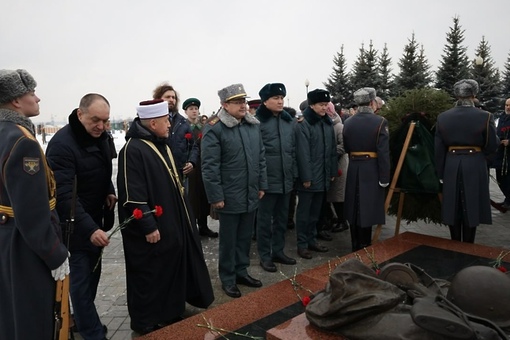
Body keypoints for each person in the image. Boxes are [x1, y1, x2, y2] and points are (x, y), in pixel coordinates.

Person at [117, 99, 214, 335]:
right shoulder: (133, 149)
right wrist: (149, 226)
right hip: (151, 228)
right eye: (165, 121)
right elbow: (133, 195)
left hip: (171, 223)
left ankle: (169, 311)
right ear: (152, 123)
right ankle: (146, 321)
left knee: (170, 268)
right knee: (150, 274)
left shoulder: (162, 144)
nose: (170, 125)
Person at [0, 69, 69, 339]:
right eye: (31, 93)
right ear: (16, 101)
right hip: (25, 247)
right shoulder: (22, 142)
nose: (37, 98)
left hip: (8, 239)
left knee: (12, 318)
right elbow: (31, 211)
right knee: (34, 319)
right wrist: (54, 253)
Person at [46, 93, 116, 340]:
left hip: (94, 220)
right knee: (80, 286)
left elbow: (104, 169)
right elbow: (64, 196)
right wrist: (89, 229)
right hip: (74, 229)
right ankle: (92, 333)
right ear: (80, 114)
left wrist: (109, 189)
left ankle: (83, 321)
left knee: (92, 279)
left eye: (105, 121)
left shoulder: (101, 136)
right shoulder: (62, 145)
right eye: (95, 120)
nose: (101, 126)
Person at [201, 83, 267, 298]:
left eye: (244, 101)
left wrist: (261, 184)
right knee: (229, 241)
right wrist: (216, 197)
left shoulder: (252, 126)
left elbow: (261, 158)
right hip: (228, 196)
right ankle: (228, 278)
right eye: (237, 102)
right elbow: (209, 167)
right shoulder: (215, 128)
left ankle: (241, 271)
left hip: (250, 192)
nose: (243, 105)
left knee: (245, 237)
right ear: (224, 105)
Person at [435, 79, 499, 243]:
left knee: (452, 206)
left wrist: (441, 172)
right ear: (474, 94)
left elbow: (439, 148)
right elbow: (492, 144)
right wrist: (483, 161)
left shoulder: (443, 117)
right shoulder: (485, 116)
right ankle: (469, 245)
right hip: (475, 162)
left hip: (451, 163)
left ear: (456, 95)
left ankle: (455, 242)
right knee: (472, 205)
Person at [255, 83, 297, 273]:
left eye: (282, 98)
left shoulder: (288, 121)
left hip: (286, 180)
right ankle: (265, 255)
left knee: (282, 219)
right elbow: (255, 154)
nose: (280, 101)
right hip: (267, 181)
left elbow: (293, 150)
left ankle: (278, 251)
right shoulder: (256, 122)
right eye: (276, 98)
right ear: (265, 101)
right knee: (264, 221)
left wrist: (293, 174)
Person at [343, 87, 390, 251]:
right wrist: (385, 178)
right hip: (371, 168)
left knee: (354, 207)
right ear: (372, 102)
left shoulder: (348, 122)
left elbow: (347, 147)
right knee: (367, 208)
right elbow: (383, 152)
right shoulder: (380, 122)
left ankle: (355, 244)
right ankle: (364, 246)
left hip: (354, 166)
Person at [294, 89, 337, 260]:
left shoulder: (327, 123)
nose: (324, 108)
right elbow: (302, 154)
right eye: (321, 105)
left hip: (323, 176)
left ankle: (312, 240)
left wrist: (332, 171)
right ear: (311, 105)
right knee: (304, 213)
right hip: (309, 179)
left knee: (316, 213)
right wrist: (306, 177)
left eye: (326, 104)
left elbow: (332, 151)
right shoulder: (303, 124)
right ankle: (302, 244)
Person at [182, 97, 218, 238]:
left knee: (203, 198)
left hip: (203, 167)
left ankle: (203, 226)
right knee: (191, 199)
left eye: (196, 109)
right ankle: (191, 228)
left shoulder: (204, 127)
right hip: (190, 169)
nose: (194, 111)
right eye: (191, 109)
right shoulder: (183, 127)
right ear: (186, 111)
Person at [153, 83, 198, 180]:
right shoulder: (152, 121)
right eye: (167, 97)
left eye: (173, 97)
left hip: (180, 174)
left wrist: (192, 162)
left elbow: (193, 146)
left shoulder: (183, 122)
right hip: (160, 173)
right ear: (158, 98)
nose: (171, 100)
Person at [325, 102, 349, 233]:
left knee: (338, 196)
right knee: (332, 195)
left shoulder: (339, 126)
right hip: (330, 165)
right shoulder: (328, 125)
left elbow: (343, 145)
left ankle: (342, 221)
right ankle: (335, 219)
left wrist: (329, 153)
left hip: (339, 165)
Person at [493, 98, 510, 212]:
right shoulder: (502, 118)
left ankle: (508, 201)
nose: (508, 107)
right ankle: (508, 198)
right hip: (501, 155)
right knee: (500, 178)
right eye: (506, 105)